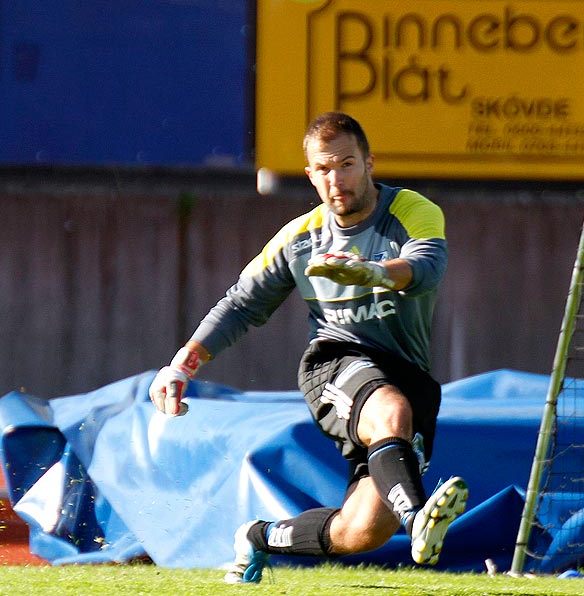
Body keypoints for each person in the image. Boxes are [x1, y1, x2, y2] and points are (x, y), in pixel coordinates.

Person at [148, 111, 467, 583]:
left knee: (362, 531)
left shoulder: (412, 210)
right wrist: (182, 364)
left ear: (369, 163)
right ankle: (418, 516)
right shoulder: (299, 238)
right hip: (335, 362)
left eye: (347, 164)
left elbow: (427, 268)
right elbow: (241, 305)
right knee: (389, 410)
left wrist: (378, 273)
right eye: (324, 169)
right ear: (310, 175)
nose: (336, 179)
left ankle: (256, 537)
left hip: (408, 373)